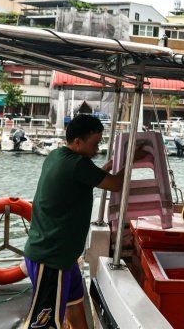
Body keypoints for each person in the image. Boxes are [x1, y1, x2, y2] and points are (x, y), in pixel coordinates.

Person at [22, 114, 127, 329]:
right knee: (43, 324)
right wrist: (131, 160)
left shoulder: (57, 156)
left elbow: (90, 177)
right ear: (77, 141)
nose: (97, 149)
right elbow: (116, 184)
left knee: (75, 309)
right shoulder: (78, 165)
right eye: (94, 144)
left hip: (64, 257)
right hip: (51, 258)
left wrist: (108, 165)